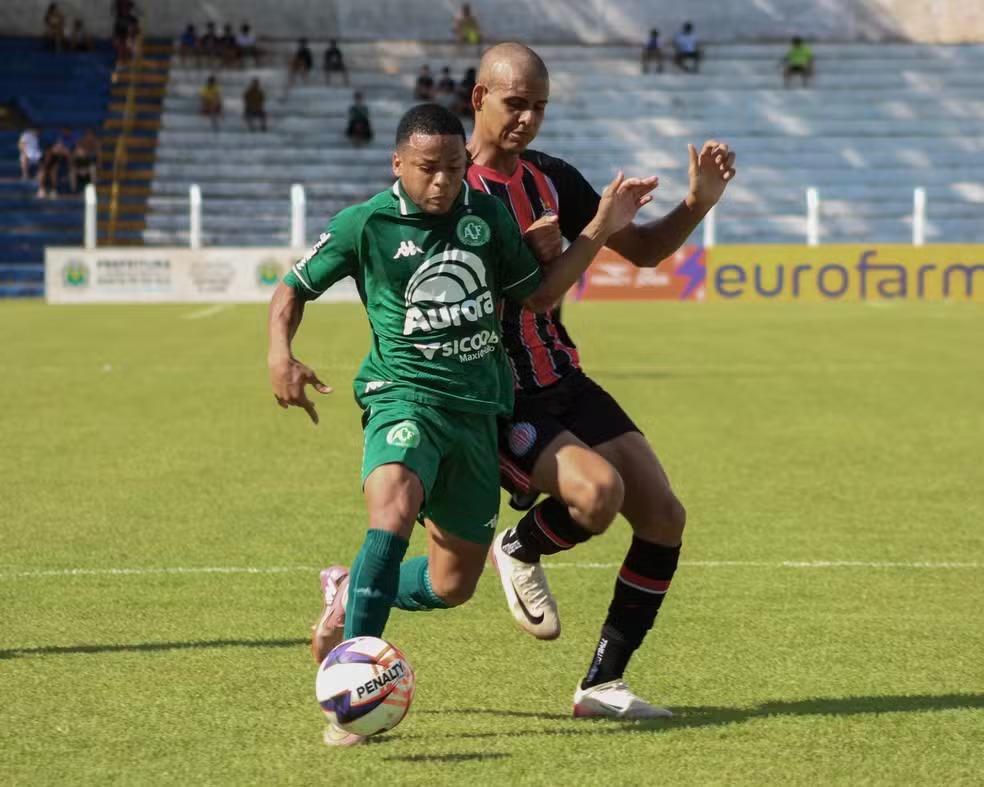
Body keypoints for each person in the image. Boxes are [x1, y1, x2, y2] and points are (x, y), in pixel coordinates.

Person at [269, 103, 655, 746]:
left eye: (454, 167)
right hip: (403, 397)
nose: (443, 181)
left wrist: (597, 230)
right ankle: (353, 694)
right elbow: (292, 289)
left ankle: (346, 589)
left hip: (478, 412)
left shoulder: (486, 218)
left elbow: (538, 292)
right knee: (390, 512)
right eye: (428, 169)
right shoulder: (364, 224)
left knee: (452, 585)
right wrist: (280, 354)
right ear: (398, 164)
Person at [464, 42, 736, 719]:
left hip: (562, 372)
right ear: (478, 99)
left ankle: (601, 684)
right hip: (499, 390)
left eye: (539, 107)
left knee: (665, 517)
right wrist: (570, 244)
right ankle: (519, 543)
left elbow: (642, 249)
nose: (527, 118)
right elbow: (525, 296)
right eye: (514, 103)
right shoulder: (450, 186)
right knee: (598, 495)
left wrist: (697, 202)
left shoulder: (551, 177)